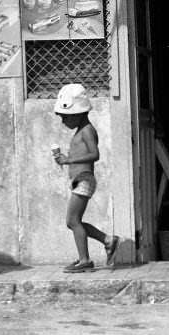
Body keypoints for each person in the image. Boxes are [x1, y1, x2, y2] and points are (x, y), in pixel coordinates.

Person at [53, 83, 118, 273]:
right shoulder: (80, 131)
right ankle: (107, 240)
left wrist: (68, 160)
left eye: (66, 116)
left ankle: (85, 260)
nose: (64, 120)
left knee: (73, 221)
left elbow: (94, 154)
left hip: (85, 179)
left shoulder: (87, 130)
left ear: (79, 113)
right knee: (73, 221)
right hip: (80, 180)